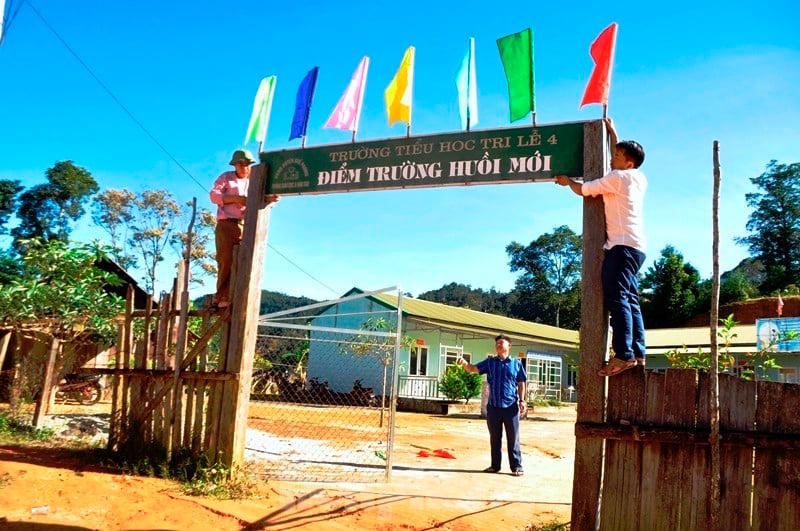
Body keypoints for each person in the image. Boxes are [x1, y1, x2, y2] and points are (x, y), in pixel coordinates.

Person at [554, 118, 647, 376]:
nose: (611, 158)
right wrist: (614, 132)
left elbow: (584, 190)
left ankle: (624, 355)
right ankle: (637, 352)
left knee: (617, 298)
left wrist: (566, 181)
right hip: (636, 248)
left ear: (627, 162)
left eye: (616, 156)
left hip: (621, 248)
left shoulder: (617, 178)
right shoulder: (637, 177)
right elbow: (624, 155)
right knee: (630, 299)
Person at [209, 148, 278, 310]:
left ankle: (239, 296)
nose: (244, 167)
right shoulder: (226, 178)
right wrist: (237, 199)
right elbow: (214, 196)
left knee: (245, 260)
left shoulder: (256, 179)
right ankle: (221, 297)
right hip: (227, 224)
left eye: (247, 164)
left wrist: (272, 199)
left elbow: (267, 200)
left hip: (248, 224)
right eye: (241, 164)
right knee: (226, 260)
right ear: (234, 165)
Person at [458, 334, 527, 476]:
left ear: (509, 346)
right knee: (495, 438)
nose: (498, 345)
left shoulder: (516, 363)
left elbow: (521, 382)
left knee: (513, 438)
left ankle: (517, 467)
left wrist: (522, 400)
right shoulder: (490, 362)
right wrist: (465, 363)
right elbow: (473, 369)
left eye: (501, 343)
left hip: (511, 407)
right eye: (497, 344)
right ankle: (495, 466)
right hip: (494, 407)